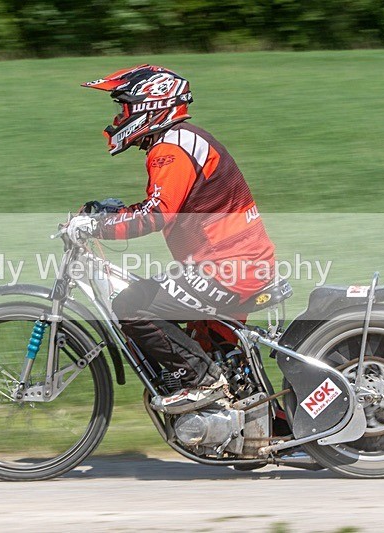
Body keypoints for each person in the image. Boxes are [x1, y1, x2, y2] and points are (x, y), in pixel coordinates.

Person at [67, 64, 277, 407]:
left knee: (131, 306)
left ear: (148, 107)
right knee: (222, 357)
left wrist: (94, 226)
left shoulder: (172, 149)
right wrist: (111, 213)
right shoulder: (182, 140)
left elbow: (156, 215)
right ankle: (268, 426)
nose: (118, 118)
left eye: (123, 108)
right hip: (237, 263)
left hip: (227, 268)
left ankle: (202, 381)